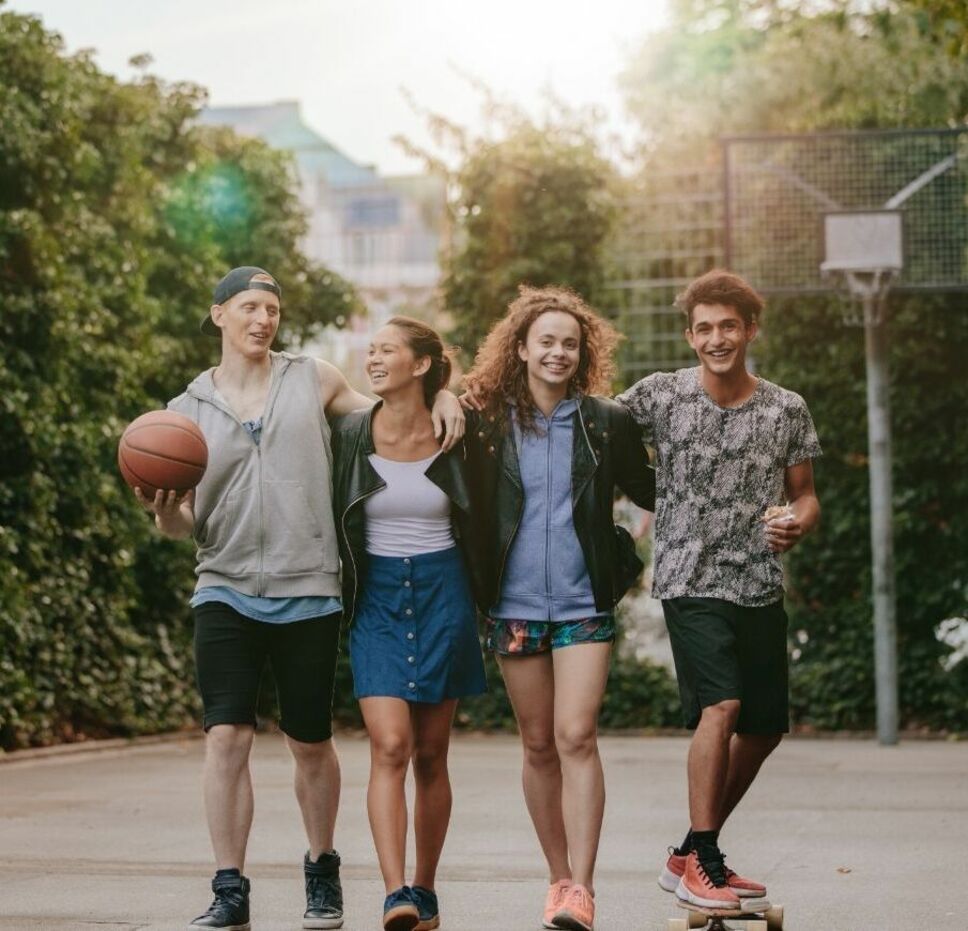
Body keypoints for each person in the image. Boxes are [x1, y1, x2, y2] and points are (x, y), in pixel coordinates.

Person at [136, 267, 464, 931]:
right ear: (219, 314)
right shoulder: (186, 409)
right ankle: (230, 886)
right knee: (226, 735)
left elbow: (391, 417)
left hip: (309, 588)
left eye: (271, 308)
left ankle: (322, 868)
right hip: (223, 587)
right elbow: (182, 524)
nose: (263, 319)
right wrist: (164, 510)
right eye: (249, 307)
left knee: (309, 740)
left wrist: (447, 393)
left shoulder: (314, 379)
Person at [615, 269, 822, 911]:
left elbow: (806, 493)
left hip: (758, 582)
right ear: (689, 335)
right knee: (722, 708)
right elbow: (592, 431)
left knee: (761, 729)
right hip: (688, 576)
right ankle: (705, 862)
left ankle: (687, 854)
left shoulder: (785, 407)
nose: (716, 338)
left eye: (728, 325)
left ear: (750, 329)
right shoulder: (660, 396)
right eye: (703, 327)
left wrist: (796, 522)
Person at [461, 285, 655, 931]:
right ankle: (557, 878)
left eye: (570, 343)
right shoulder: (487, 425)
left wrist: (627, 548)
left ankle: (585, 888)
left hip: (582, 601)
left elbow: (654, 489)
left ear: (583, 352)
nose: (558, 352)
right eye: (545, 340)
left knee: (577, 734)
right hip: (513, 605)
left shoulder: (604, 421)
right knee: (539, 743)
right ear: (520, 347)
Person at [331, 317, 486, 931]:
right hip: (377, 597)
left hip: (444, 589)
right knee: (389, 744)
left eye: (386, 350)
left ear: (420, 365)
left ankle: (426, 888)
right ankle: (395, 892)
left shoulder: (459, 431)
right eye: (369, 351)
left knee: (431, 753)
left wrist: (450, 396)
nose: (373, 359)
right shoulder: (349, 431)